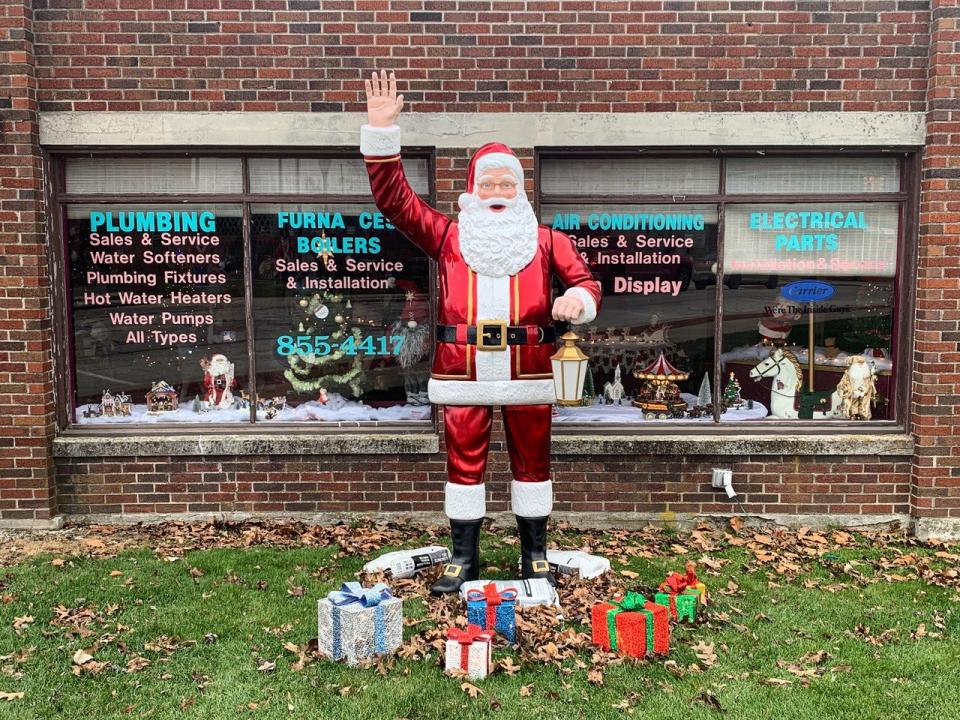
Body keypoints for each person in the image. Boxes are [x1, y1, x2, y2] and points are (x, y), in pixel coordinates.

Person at [361, 70, 601, 594]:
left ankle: (533, 554)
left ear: (519, 190)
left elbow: (586, 282)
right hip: (462, 372)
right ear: (473, 189)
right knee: (462, 464)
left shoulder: (545, 241)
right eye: (488, 183)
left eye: (506, 183)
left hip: (528, 371)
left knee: (533, 462)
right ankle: (463, 557)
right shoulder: (448, 236)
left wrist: (574, 301)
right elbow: (395, 202)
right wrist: (383, 135)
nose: (497, 191)